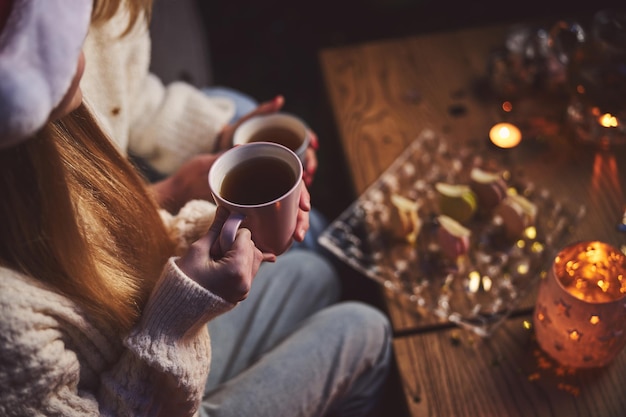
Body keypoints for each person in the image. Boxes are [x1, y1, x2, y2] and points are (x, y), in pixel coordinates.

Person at [0, 1, 392, 416]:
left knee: (314, 275)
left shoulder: (41, 144)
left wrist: (204, 222)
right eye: (64, 42)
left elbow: (97, 242)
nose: (83, 57)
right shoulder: (11, 321)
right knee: (369, 331)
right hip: (149, 386)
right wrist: (180, 313)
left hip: (132, 332)